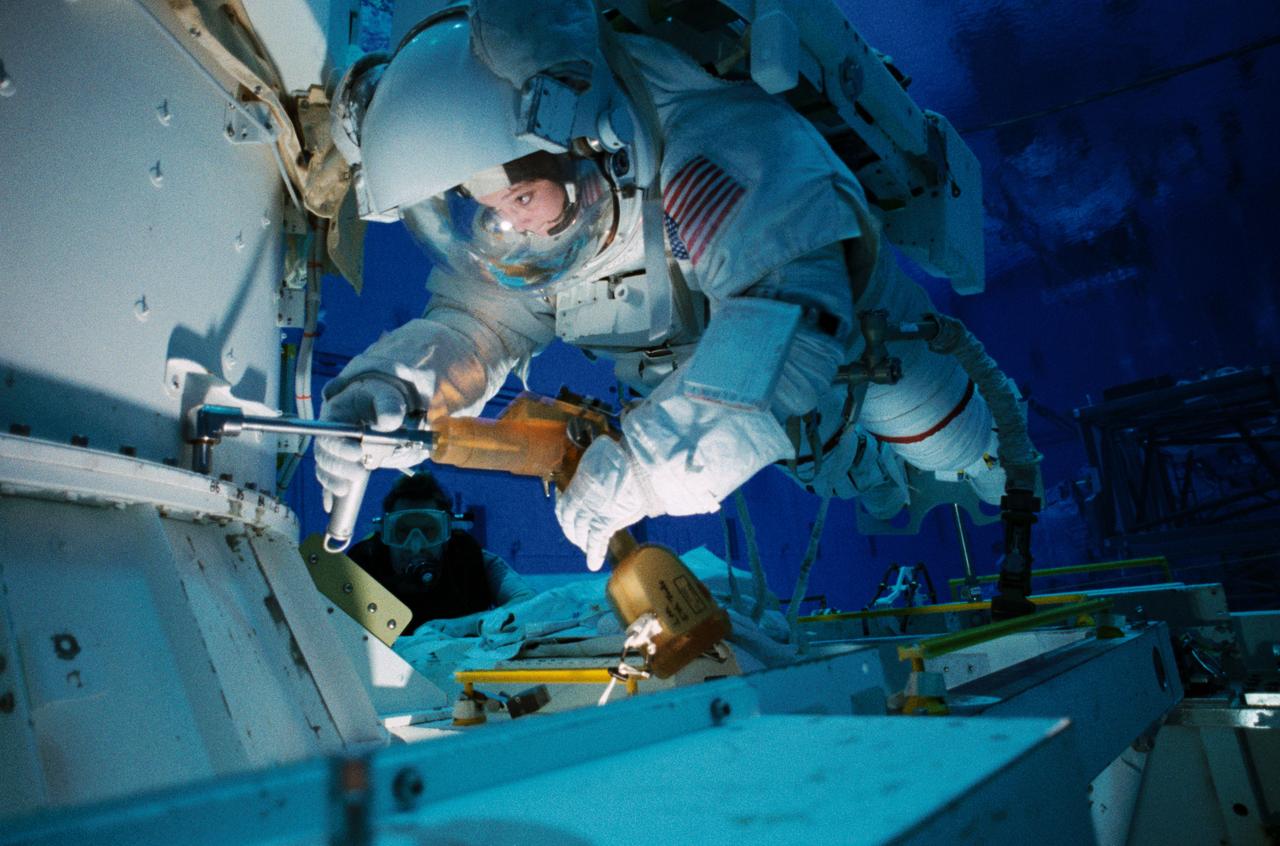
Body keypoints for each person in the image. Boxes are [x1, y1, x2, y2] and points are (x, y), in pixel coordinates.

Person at [316, 0, 1010, 572]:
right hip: (745, 410)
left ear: (578, 144)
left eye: (520, 197)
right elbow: (478, 325)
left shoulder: (704, 140)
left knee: (961, 448)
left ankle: (998, 472)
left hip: (861, 340)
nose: (508, 225)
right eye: (485, 205)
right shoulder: (543, 215)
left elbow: (790, 330)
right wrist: (393, 391)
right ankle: (885, 482)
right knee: (843, 472)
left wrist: (646, 472)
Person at [346, 471, 533, 635]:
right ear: (385, 533)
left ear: (447, 533)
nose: (416, 546)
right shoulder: (361, 567)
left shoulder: (471, 560)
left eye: (429, 531)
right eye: (402, 532)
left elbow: (530, 604)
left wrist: (464, 626)